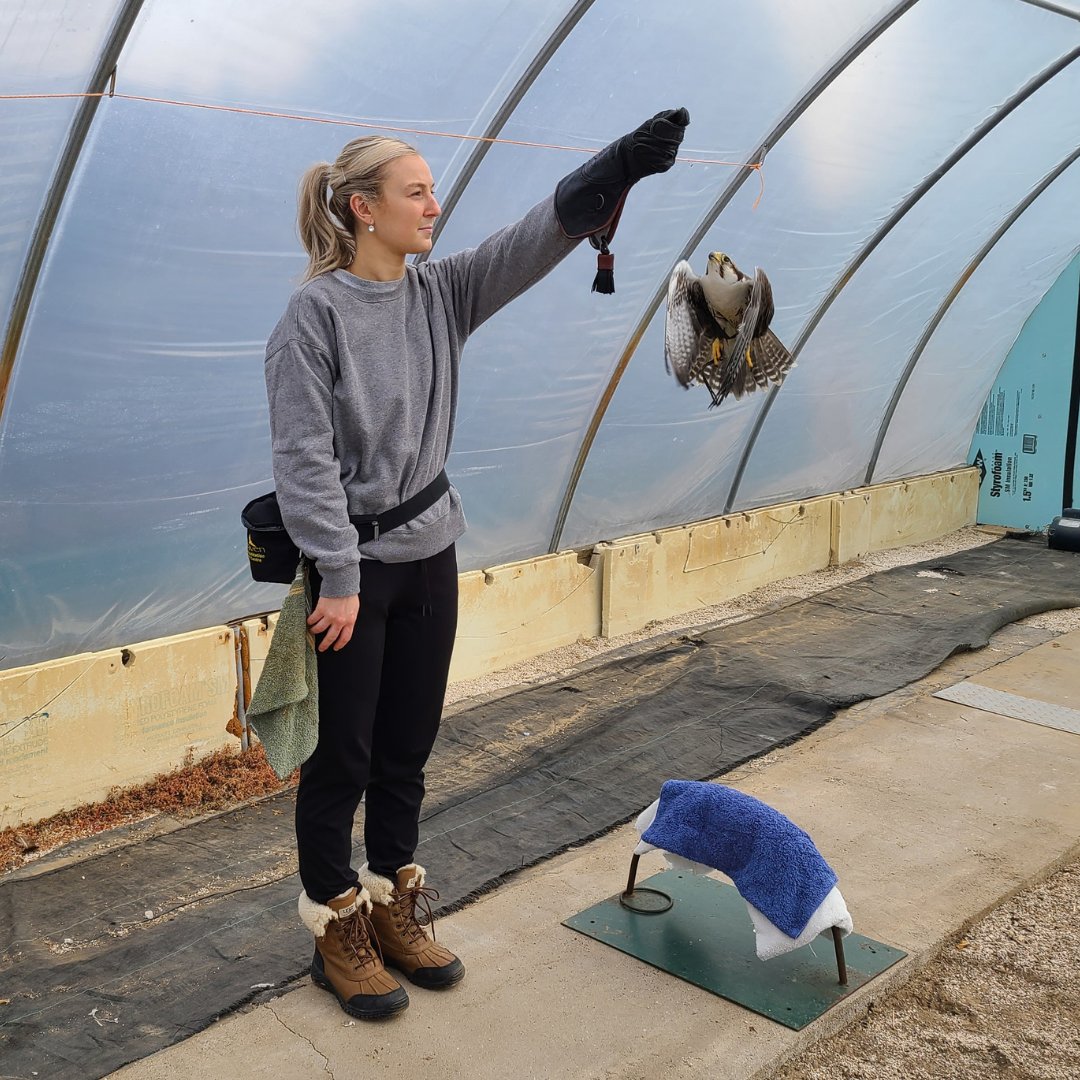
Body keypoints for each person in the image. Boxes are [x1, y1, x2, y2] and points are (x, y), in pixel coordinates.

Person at [264, 107, 690, 1021]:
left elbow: (523, 245)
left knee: (407, 749)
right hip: (355, 576)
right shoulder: (313, 316)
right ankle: (336, 925)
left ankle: (393, 906)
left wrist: (612, 169)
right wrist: (337, 573)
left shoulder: (438, 293)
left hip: (430, 555)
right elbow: (301, 459)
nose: (434, 204)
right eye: (415, 191)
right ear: (360, 208)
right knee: (343, 757)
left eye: (432, 189)